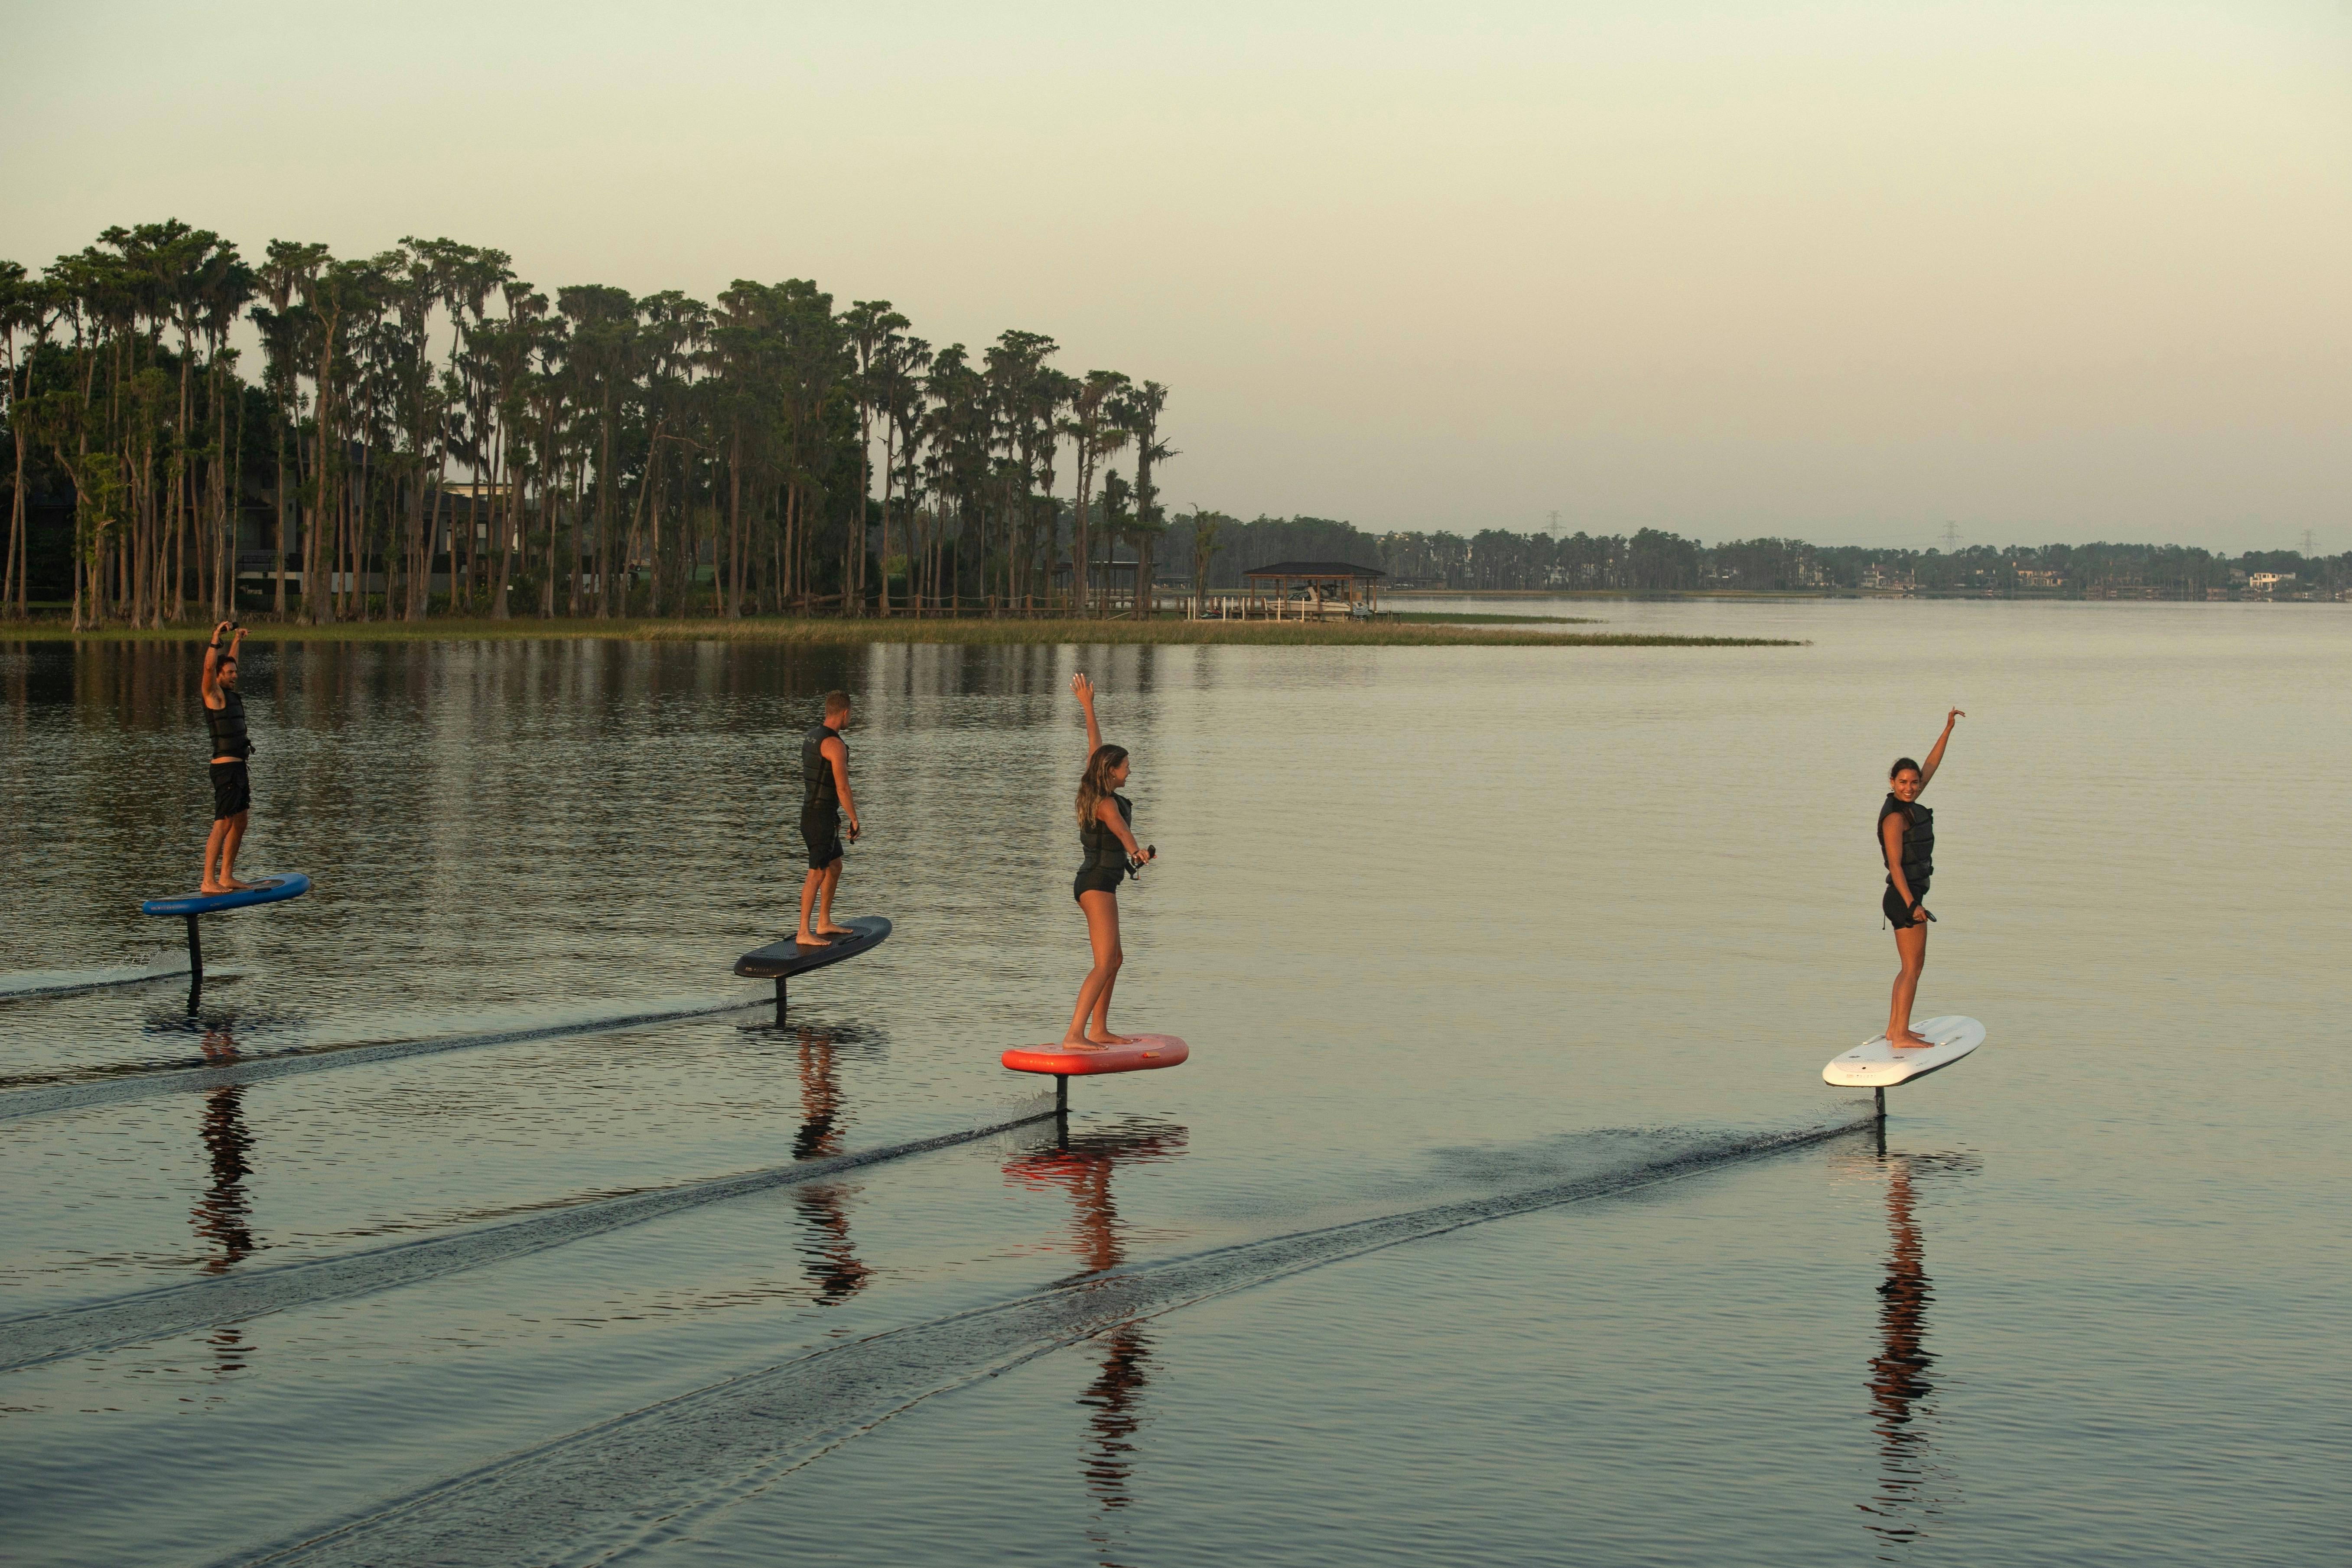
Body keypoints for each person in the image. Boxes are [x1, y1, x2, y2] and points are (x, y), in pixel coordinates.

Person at [1063, 673, 1154, 1048]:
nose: (1130, 770)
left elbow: (1094, 745)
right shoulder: (1103, 803)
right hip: (1096, 884)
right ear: (1111, 771)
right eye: (1126, 766)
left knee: (1115, 959)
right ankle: (1074, 1035)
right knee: (1104, 963)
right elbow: (1120, 829)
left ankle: (1098, 1030)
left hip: (1099, 883)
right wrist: (1138, 852)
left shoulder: (1094, 785)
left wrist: (1088, 707)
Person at [1880, 709, 1964, 1048]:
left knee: (1908, 968)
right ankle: (1899, 1035)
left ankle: (1895, 1029)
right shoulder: (1894, 819)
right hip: (1904, 898)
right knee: (1912, 969)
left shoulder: (1908, 802)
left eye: (1914, 783)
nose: (1910, 787)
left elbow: (1930, 765)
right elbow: (1896, 867)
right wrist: (1913, 904)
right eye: (1903, 782)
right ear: (1891, 783)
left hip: (1905, 898)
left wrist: (1947, 730)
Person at [795, 690, 861, 947]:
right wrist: (854, 820)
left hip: (815, 813)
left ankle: (824, 921)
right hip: (820, 818)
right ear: (845, 713)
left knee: (835, 867)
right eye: (851, 714)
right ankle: (804, 931)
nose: (850, 719)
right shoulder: (835, 745)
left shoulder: (812, 736)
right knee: (817, 873)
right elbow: (843, 787)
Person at [200, 621, 257, 896]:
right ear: (220, 676)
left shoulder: (230, 691)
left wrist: (237, 640)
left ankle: (226, 876)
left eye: (236, 672)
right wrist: (215, 639)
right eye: (230, 673)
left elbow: (228, 664)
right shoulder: (214, 695)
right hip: (225, 770)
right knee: (223, 821)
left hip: (239, 768)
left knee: (241, 821)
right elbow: (210, 668)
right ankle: (208, 880)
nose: (235, 676)